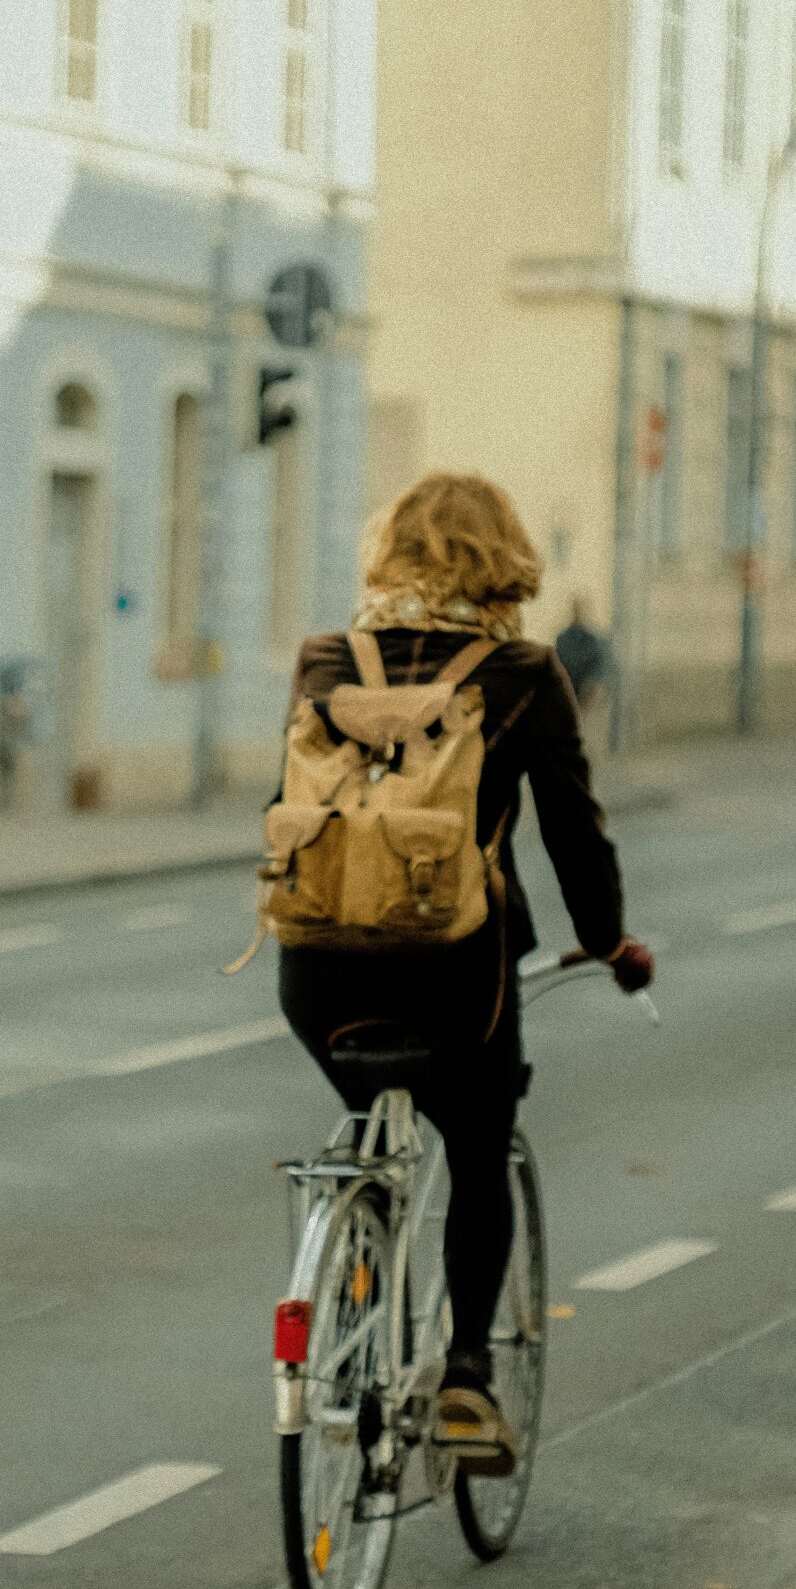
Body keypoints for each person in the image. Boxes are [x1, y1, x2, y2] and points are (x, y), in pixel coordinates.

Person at [277, 472, 652, 1470]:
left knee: (367, 1116)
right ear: (503, 562)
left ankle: (349, 1287)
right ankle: (466, 1378)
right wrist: (611, 942)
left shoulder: (325, 660)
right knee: (479, 1142)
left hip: (316, 974)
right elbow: (575, 835)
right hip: (456, 976)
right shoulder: (521, 672)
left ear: (389, 553)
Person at [553, 598, 611, 713]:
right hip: (567, 694)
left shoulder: (593, 640)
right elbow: (558, 665)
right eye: (576, 609)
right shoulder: (563, 638)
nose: (578, 613)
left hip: (588, 695)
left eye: (581, 609)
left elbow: (598, 668)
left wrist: (591, 687)